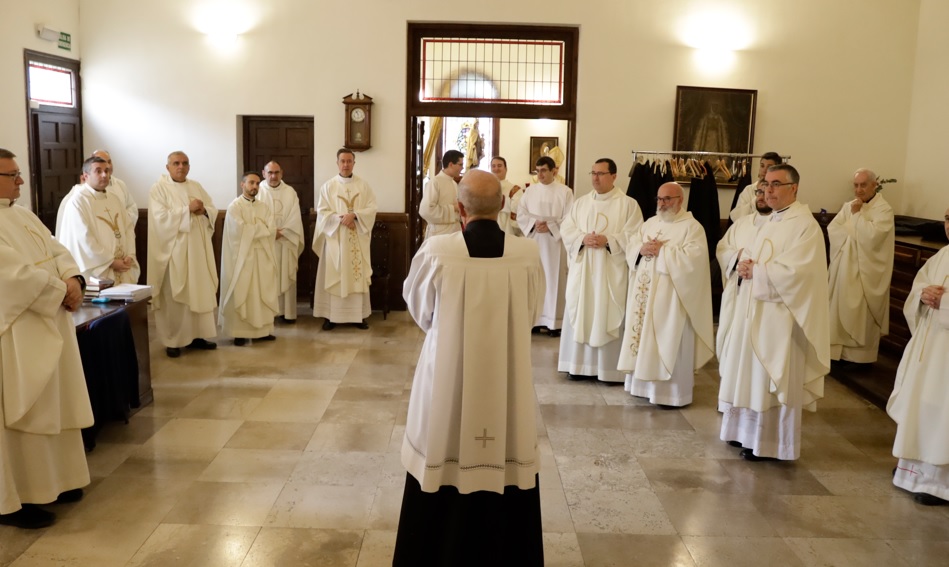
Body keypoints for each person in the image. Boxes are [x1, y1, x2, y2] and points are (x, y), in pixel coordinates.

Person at [395, 169, 545, 566]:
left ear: (459, 208)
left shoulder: (437, 251)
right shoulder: (527, 253)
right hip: (507, 379)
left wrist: (447, 332)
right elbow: (531, 312)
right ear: (502, 207)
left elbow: (419, 309)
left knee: (441, 446)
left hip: (447, 376)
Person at [0, 148, 93, 530]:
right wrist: (61, 291)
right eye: (13, 175)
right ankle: (18, 498)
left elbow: (57, 248)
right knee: (28, 408)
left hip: (51, 321)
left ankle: (60, 480)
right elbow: (11, 277)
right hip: (18, 335)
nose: (21, 181)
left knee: (56, 402)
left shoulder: (20, 214)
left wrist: (74, 279)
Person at [718, 164, 830, 462]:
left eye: (776, 184)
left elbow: (801, 273)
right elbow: (750, 258)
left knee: (770, 376)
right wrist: (743, 267)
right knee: (748, 374)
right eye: (766, 183)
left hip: (780, 319)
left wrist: (759, 271)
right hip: (752, 310)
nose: (769, 189)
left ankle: (770, 444)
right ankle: (743, 433)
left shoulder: (805, 226)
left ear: (794, 188)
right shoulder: (768, 222)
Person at [618, 182, 714, 407]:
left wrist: (663, 251)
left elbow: (695, 261)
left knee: (669, 338)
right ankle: (641, 387)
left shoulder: (692, 227)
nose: (662, 203)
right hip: (644, 292)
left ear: (680, 200)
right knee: (642, 337)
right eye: (660, 199)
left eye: (668, 199)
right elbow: (632, 246)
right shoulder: (650, 223)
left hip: (673, 298)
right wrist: (641, 250)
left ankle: (671, 395)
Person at [559, 158, 644, 382]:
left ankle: (608, 370)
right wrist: (582, 238)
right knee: (582, 307)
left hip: (610, 269)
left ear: (614, 176)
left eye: (601, 173)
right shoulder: (581, 203)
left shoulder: (628, 205)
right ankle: (577, 365)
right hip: (584, 269)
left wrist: (609, 241)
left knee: (606, 310)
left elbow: (635, 237)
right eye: (593, 173)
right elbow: (567, 229)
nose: (595, 178)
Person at [887, 207, 949, 506]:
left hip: (945, 357)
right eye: (948, 219)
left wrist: (945, 301)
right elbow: (917, 288)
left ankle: (939, 483)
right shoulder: (942, 255)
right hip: (928, 345)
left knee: (942, 413)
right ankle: (910, 470)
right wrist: (924, 295)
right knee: (921, 405)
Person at [147, 151, 219, 358]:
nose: (181, 167)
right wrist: (187, 209)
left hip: (198, 250)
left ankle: (198, 336)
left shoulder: (195, 186)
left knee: (199, 290)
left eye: (185, 163)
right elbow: (160, 219)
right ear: (167, 167)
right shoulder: (158, 189)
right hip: (174, 252)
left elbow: (211, 209)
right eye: (176, 163)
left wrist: (204, 211)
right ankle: (174, 340)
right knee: (175, 297)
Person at [827, 168, 895, 363]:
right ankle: (838, 356)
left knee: (860, 315)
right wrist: (853, 230)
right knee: (839, 311)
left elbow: (874, 238)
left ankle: (859, 359)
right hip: (844, 269)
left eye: (863, 185)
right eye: (856, 185)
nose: (859, 189)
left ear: (874, 185)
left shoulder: (884, 209)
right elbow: (834, 228)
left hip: (866, 272)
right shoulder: (848, 205)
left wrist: (855, 219)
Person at [313, 149, 377, 330]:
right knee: (335, 274)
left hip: (357, 237)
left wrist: (355, 215)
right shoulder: (328, 186)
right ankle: (331, 317)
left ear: (354, 163)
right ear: (337, 163)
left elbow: (372, 208)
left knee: (356, 273)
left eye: (349, 161)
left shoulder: (364, 186)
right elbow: (322, 213)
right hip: (336, 240)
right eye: (343, 161)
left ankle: (359, 316)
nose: (346, 164)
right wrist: (343, 219)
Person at [716, 180, 772, 383]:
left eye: (766, 192)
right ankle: (730, 390)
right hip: (736, 292)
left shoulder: (780, 226)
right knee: (732, 339)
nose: (761, 195)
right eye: (758, 191)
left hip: (760, 296)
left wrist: (756, 267)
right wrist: (737, 256)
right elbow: (722, 248)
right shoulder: (742, 223)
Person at [56, 156, 140, 284]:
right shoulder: (77, 201)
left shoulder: (114, 199)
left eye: (107, 171)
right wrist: (110, 262)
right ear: (85, 176)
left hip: (122, 266)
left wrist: (129, 255)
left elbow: (128, 228)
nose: (104, 175)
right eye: (98, 171)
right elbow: (83, 239)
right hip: (97, 272)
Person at [219, 172, 279, 345]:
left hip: (262, 257)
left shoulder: (264, 207)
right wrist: (260, 228)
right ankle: (240, 332)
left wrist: (254, 229)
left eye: (257, 183)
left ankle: (263, 331)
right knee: (244, 292)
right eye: (251, 183)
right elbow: (238, 231)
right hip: (242, 259)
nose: (255, 186)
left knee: (261, 292)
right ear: (242, 185)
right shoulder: (234, 207)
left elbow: (271, 229)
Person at [517, 156, 573, 336]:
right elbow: (521, 214)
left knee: (554, 278)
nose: (540, 174)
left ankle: (554, 322)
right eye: (538, 170)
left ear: (553, 171)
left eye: (543, 170)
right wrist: (534, 224)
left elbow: (570, 217)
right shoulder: (530, 191)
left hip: (554, 243)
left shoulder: (565, 192)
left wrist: (550, 226)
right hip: (534, 241)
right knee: (534, 278)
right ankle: (536, 320)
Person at [258, 160, 304, 323]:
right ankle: (267, 314)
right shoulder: (258, 191)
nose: (273, 176)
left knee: (286, 272)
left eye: (276, 172)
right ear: (264, 174)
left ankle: (288, 313)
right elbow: (254, 216)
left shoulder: (290, 192)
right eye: (270, 172)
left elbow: (294, 217)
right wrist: (270, 233)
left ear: (282, 173)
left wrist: (282, 232)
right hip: (265, 243)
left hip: (285, 241)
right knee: (266, 278)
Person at [56, 149, 139, 233]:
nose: (108, 166)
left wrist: (123, 223)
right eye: (99, 170)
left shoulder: (120, 185)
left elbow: (131, 207)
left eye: (109, 162)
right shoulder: (77, 197)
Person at [419, 150, 464, 239]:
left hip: (455, 232)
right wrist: (453, 208)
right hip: (439, 234)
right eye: (460, 164)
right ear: (451, 164)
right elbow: (425, 211)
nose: (462, 168)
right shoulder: (435, 182)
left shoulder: (454, 183)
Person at [729, 151, 782, 222]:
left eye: (769, 167)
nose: (764, 170)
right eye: (762, 166)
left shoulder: (780, 191)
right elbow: (735, 217)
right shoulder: (749, 190)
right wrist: (756, 199)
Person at [490, 156, 523, 236]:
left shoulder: (514, 189)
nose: (496, 169)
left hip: (507, 228)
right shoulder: (485, 188)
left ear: (506, 169)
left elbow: (518, 211)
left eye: (499, 166)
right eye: (493, 166)